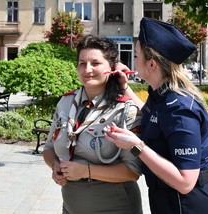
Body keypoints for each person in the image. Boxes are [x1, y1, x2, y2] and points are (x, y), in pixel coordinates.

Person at [105, 17, 208, 214]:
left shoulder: (180, 110)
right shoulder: (162, 96)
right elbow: (156, 118)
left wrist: (136, 146)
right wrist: (125, 88)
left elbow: (186, 182)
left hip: (188, 206)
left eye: (136, 55)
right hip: (167, 201)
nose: (132, 61)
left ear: (151, 64)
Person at [43, 35, 143, 214]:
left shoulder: (124, 110)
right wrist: (55, 166)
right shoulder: (65, 103)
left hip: (116, 207)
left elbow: (132, 171)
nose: (87, 69)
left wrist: (86, 171)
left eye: (95, 63)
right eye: (82, 63)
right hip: (71, 206)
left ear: (111, 68)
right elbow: (49, 148)